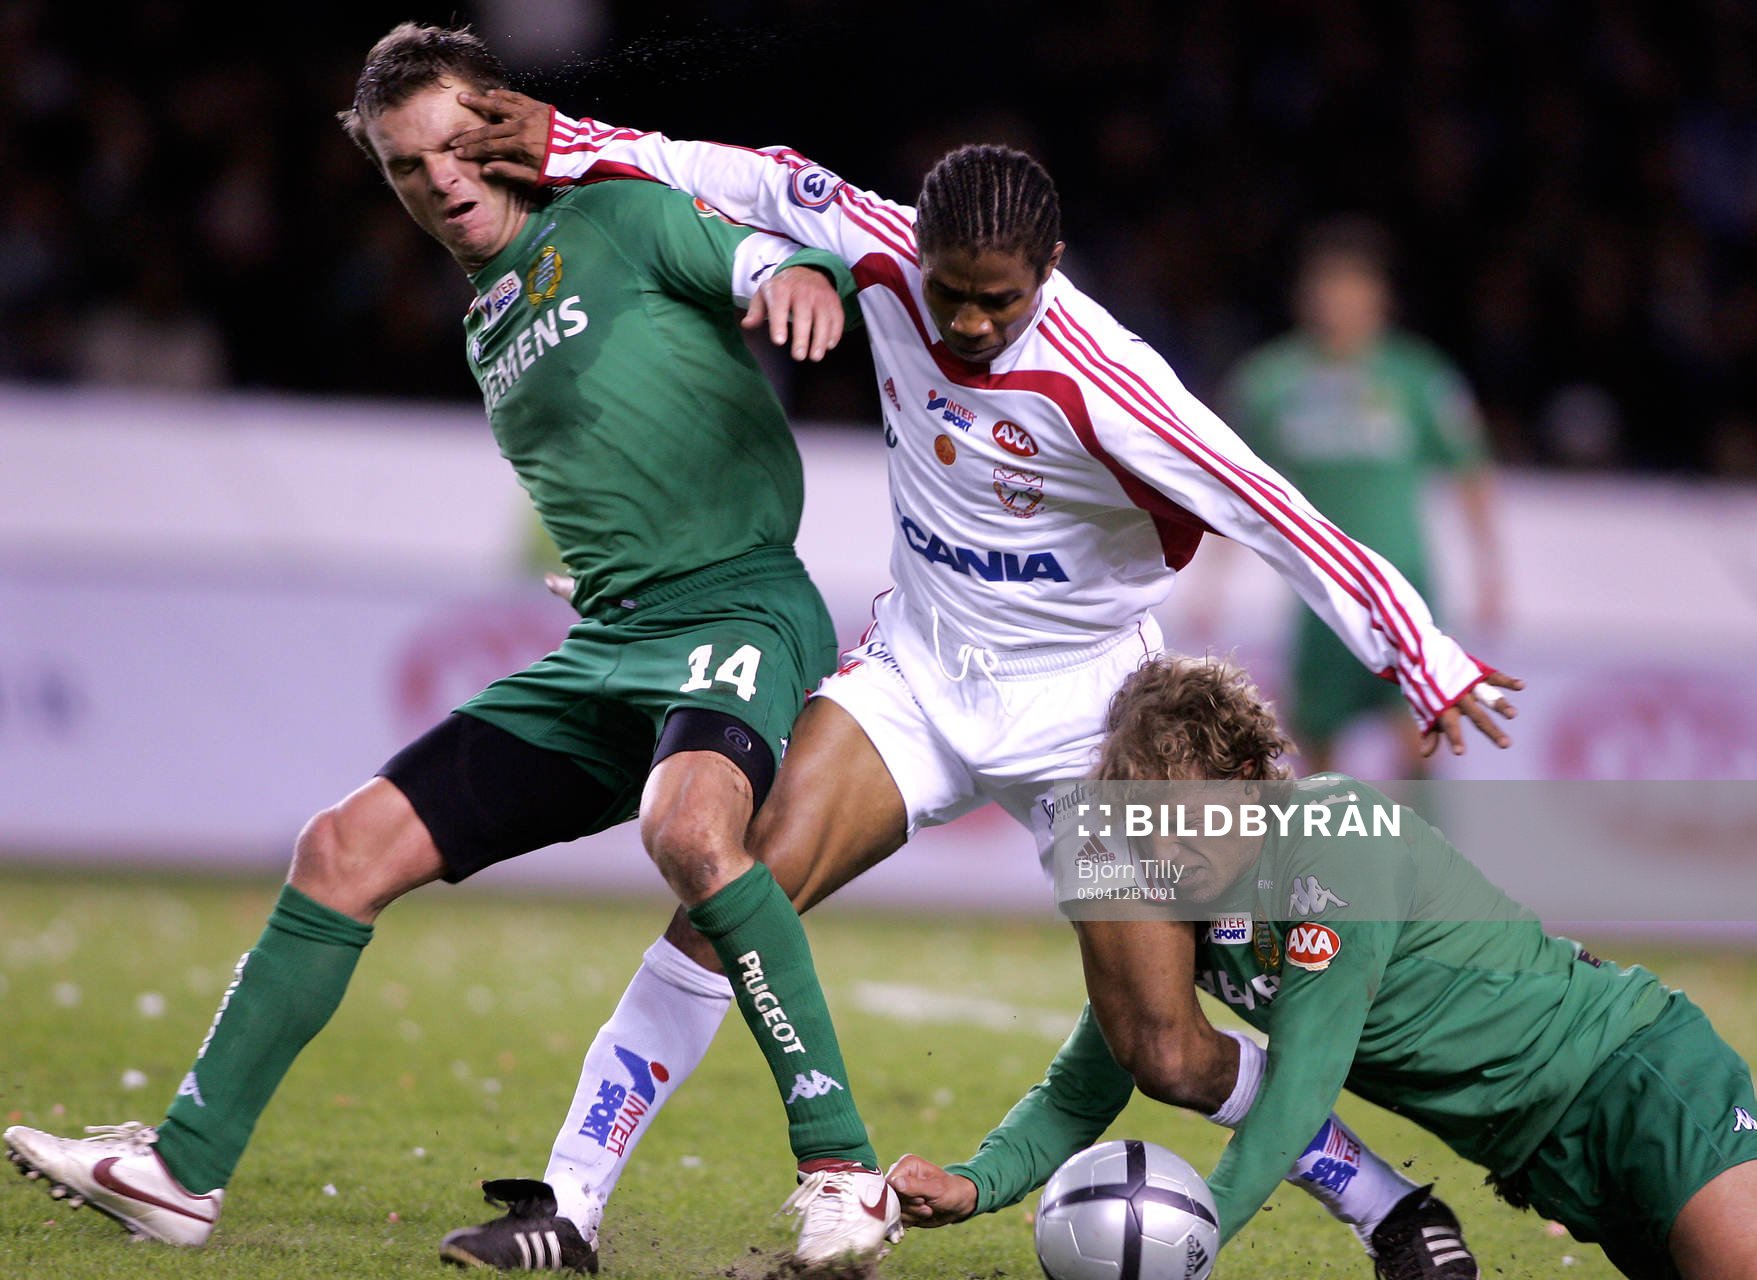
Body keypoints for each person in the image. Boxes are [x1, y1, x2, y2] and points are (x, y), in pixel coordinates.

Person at [425, 94, 1521, 1273]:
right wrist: (567, 141)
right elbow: (745, 173)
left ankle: (1391, 1207)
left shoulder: (1109, 380)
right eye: (949, 287)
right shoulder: (886, 252)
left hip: (1095, 726)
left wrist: (1420, 650)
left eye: (998, 296)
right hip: (918, 679)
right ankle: (567, 1207)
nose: (965, 316)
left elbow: (1273, 508)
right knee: (724, 903)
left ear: (1048, 267)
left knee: (1158, 1045)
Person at [2, 23, 898, 1271]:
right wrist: (599, 567)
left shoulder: (622, 217)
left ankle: (844, 1169)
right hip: (612, 639)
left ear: (501, 123)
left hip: (734, 608)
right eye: (404, 168)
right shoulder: (486, 319)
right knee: (339, 846)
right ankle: (179, 1169)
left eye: (454, 148)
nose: (438, 182)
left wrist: (794, 273)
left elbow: (765, 249)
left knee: (694, 834)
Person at [885, 655, 1757, 1280]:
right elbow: (1095, 1072)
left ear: (1257, 781)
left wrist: (1193, 1237)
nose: (1170, 850)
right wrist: (974, 1184)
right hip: (1541, 1156)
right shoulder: (1169, 882)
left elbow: (1300, 1086)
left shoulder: (1341, 837)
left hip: (1637, 1084)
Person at [1222, 219, 1502, 776]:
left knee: (1419, 733)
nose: (1338, 301)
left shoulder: (1417, 377)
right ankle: (1328, 858)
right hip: (1321, 591)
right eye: (1327, 287)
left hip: (1404, 584)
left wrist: (1490, 570)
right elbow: (1227, 481)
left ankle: (1413, 855)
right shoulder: (1271, 381)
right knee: (1315, 742)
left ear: (1380, 296)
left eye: (1352, 286)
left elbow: (1470, 470)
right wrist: (1212, 575)